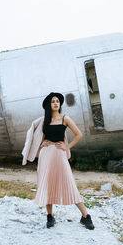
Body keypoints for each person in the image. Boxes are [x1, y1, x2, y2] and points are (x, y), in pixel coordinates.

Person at [27, 92, 95, 230]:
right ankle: (50, 216)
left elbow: (79, 134)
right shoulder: (44, 120)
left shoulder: (65, 118)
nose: (56, 103)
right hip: (46, 155)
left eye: (57, 101)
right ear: (49, 105)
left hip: (59, 154)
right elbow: (40, 136)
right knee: (47, 184)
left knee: (70, 183)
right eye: (53, 101)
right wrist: (41, 145)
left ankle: (85, 216)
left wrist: (67, 146)